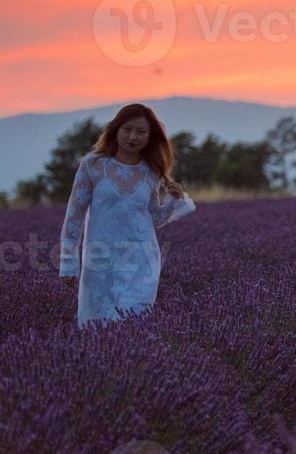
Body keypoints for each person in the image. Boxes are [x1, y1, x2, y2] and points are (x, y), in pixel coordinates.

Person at [58, 103, 195, 327]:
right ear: (116, 130)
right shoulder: (92, 165)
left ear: (150, 137)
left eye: (141, 132)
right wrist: (67, 262)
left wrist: (175, 202)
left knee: (133, 327)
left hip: (142, 261)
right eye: (127, 129)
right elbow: (74, 215)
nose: (133, 136)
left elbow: (151, 218)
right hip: (100, 261)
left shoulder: (152, 170)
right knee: (98, 330)